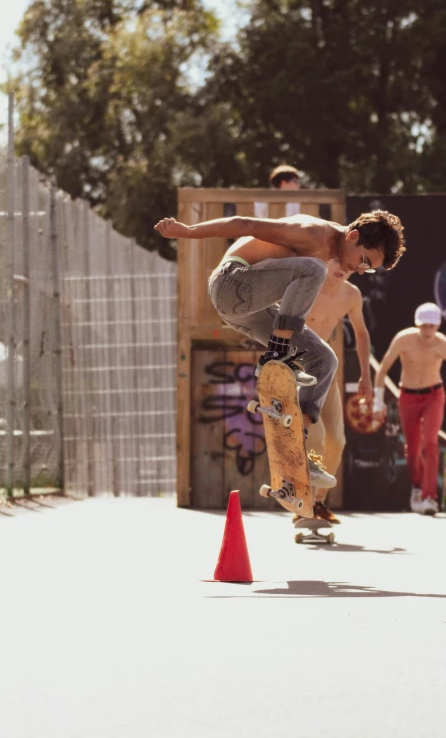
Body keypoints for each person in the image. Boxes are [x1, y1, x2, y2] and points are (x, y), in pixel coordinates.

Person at [154, 210, 406, 495]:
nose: (360, 270)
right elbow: (244, 224)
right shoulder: (313, 231)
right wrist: (186, 232)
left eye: (369, 269)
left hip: (247, 310)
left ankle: (298, 447)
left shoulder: (334, 251)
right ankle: (277, 352)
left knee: (323, 359)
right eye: (364, 261)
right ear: (353, 236)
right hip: (230, 283)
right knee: (313, 269)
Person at [293, 258, 373, 524]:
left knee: (337, 441)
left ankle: (317, 503)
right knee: (315, 437)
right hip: (295, 368)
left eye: (351, 266)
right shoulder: (306, 287)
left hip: (323, 371)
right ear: (326, 260)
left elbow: (361, 333)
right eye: (339, 261)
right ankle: (300, 501)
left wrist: (366, 375)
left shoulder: (351, 295)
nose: (343, 269)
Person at [373, 302, 446, 515]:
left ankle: (430, 497)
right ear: (417, 324)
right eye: (423, 326)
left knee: (430, 442)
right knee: (413, 449)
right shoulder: (404, 339)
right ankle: (417, 486)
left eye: (432, 326)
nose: (427, 331)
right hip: (408, 396)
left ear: (438, 325)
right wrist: (378, 401)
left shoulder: (442, 343)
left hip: (434, 395)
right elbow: (382, 369)